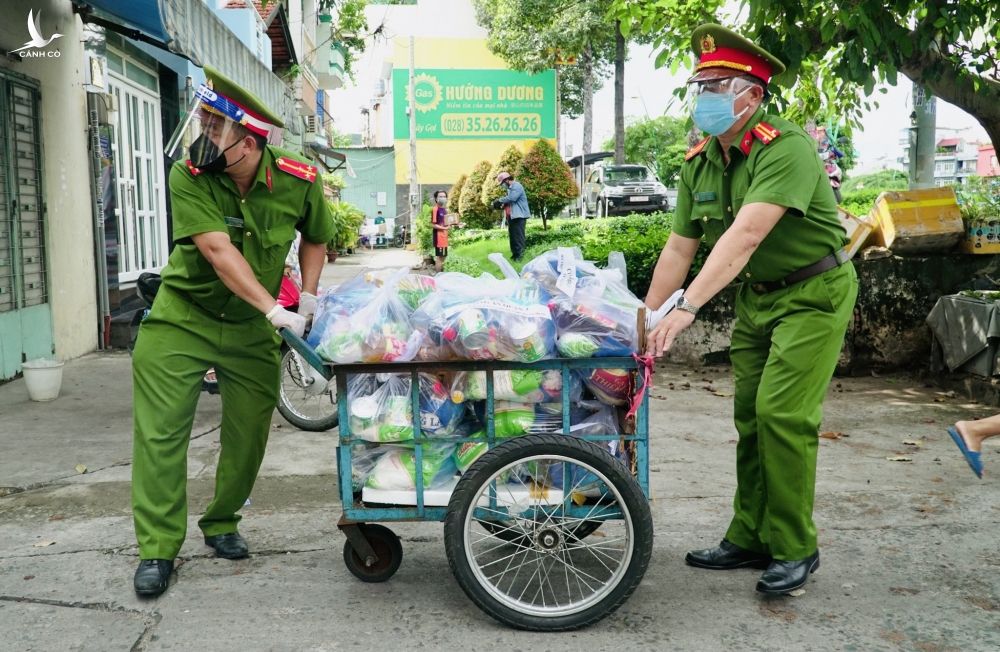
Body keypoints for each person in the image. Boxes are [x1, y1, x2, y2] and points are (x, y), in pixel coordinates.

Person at [642, 24, 858, 596]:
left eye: (718, 86)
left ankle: (794, 547)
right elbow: (677, 248)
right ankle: (750, 535)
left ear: (753, 94)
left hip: (813, 293)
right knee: (750, 417)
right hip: (758, 301)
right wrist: (643, 318)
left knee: (782, 414)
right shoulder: (701, 161)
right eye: (700, 86)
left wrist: (685, 308)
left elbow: (744, 236)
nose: (704, 98)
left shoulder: (785, 147)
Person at [131, 66, 334, 598]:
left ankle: (221, 524)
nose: (203, 135)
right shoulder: (189, 177)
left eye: (215, 128)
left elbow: (316, 236)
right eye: (202, 120)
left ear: (249, 143)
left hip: (248, 328)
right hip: (183, 317)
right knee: (162, 434)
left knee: (248, 434)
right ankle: (157, 547)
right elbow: (219, 252)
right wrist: (276, 309)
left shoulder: (297, 177)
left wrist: (307, 294)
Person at [492, 172, 530, 261]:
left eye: (502, 183)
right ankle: (515, 255)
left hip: (519, 216)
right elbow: (510, 202)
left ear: (507, 180)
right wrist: (502, 205)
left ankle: (520, 256)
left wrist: (499, 200)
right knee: (513, 237)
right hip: (512, 216)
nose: (502, 185)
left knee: (518, 237)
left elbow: (512, 198)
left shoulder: (517, 186)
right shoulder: (510, 189)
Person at [431, 190, 450, 272]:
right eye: (440, 196)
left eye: (444, 196)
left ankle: (441, 274)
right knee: (439, 257)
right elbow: (433, 224)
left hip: (444, 237)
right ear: (436, 198)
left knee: (444, 256)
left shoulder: (444, 210)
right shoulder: (435, 209)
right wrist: (444, 228)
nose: (443, 198)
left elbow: (446, 223)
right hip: (438, 237)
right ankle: (438, 276)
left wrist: (456, 224)